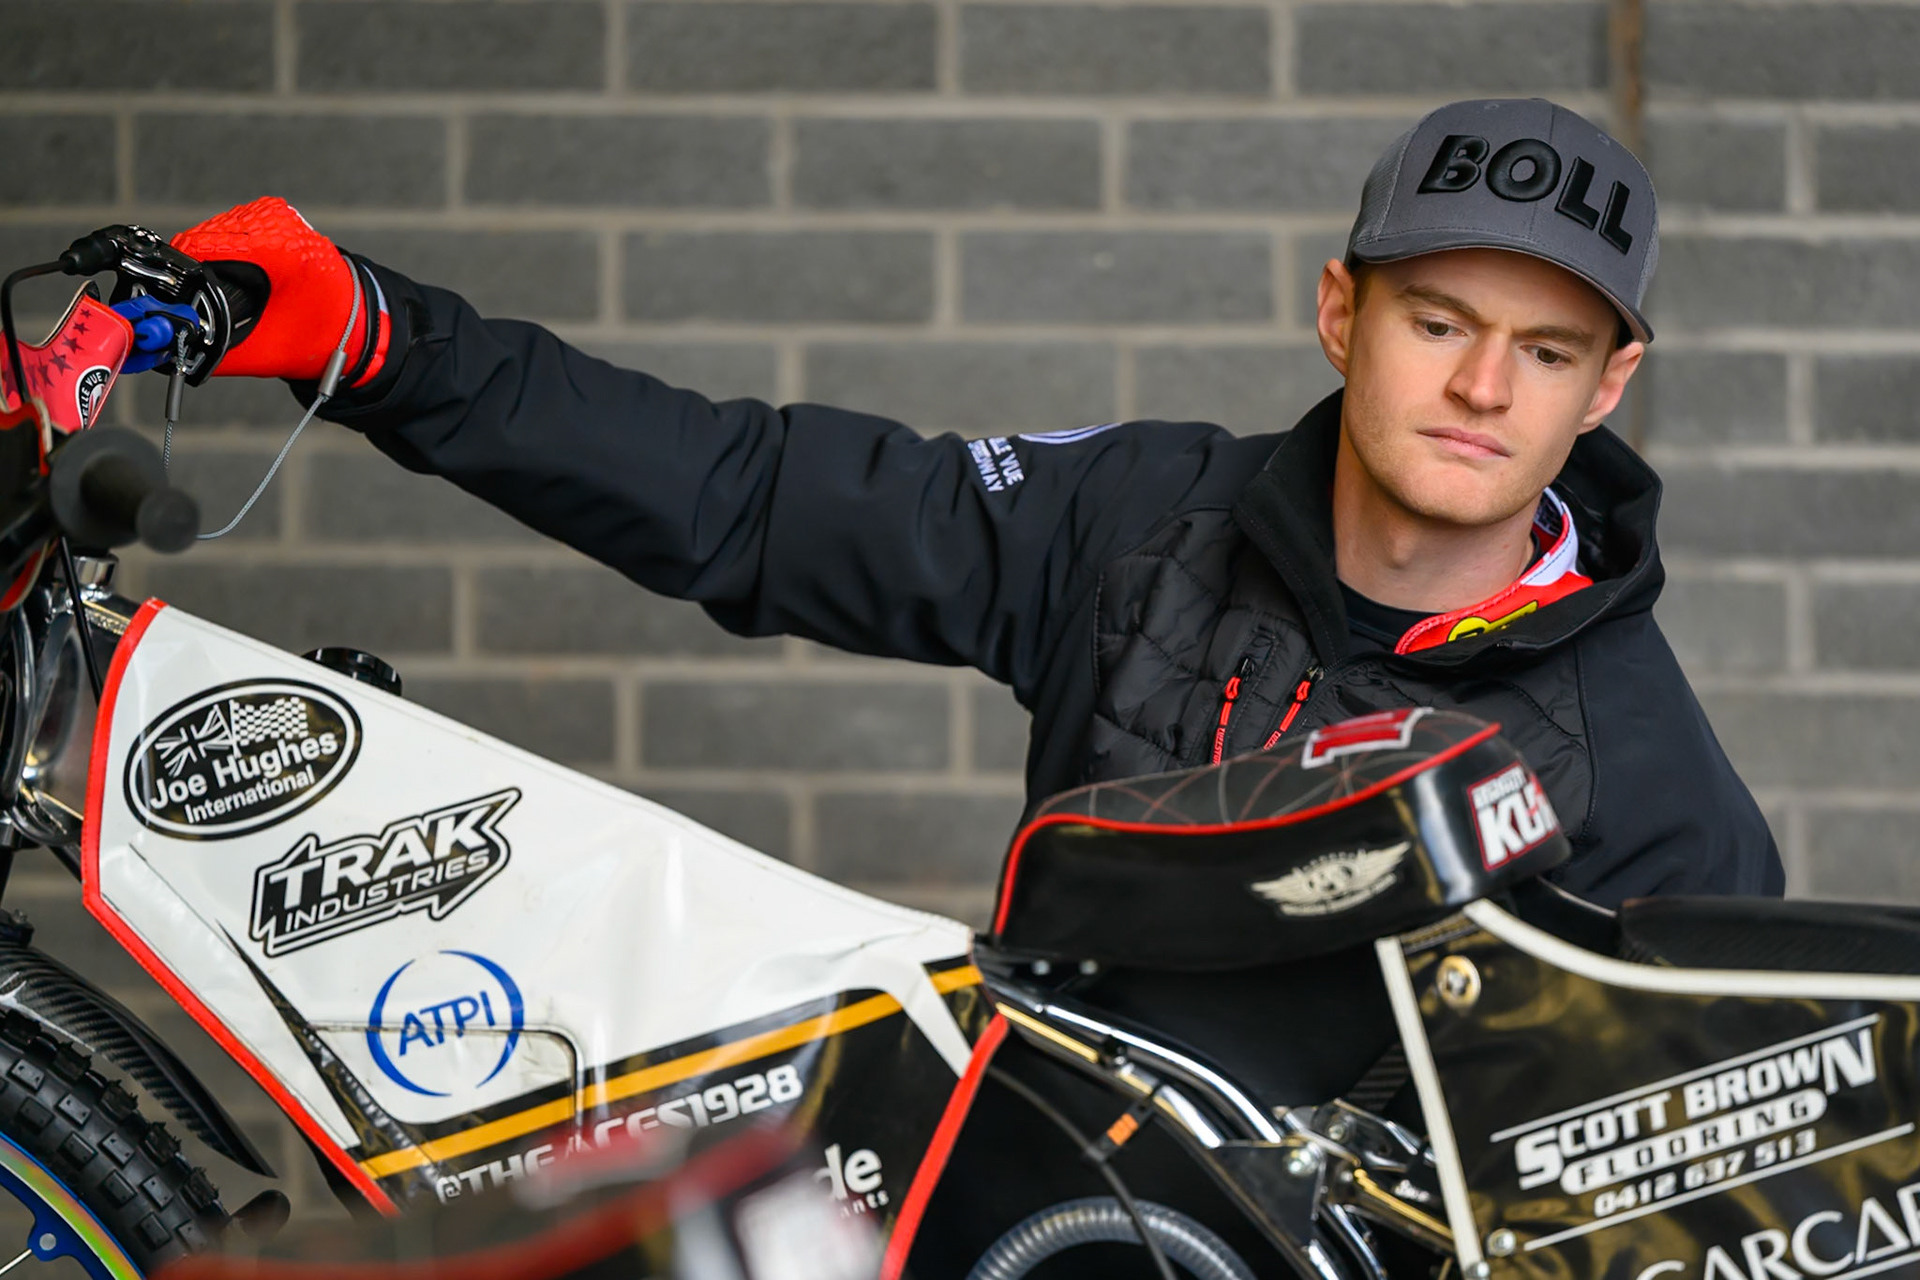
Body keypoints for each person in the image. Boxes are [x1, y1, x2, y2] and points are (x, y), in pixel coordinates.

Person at [170, 97, 1782, 906]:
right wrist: (384, 343)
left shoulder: (1648, 780)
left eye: (1545, 349)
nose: (1485, 390)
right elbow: (747, 498)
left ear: (1607, 387)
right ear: (1341, 315)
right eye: (1439, 323)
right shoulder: (1143, 524)